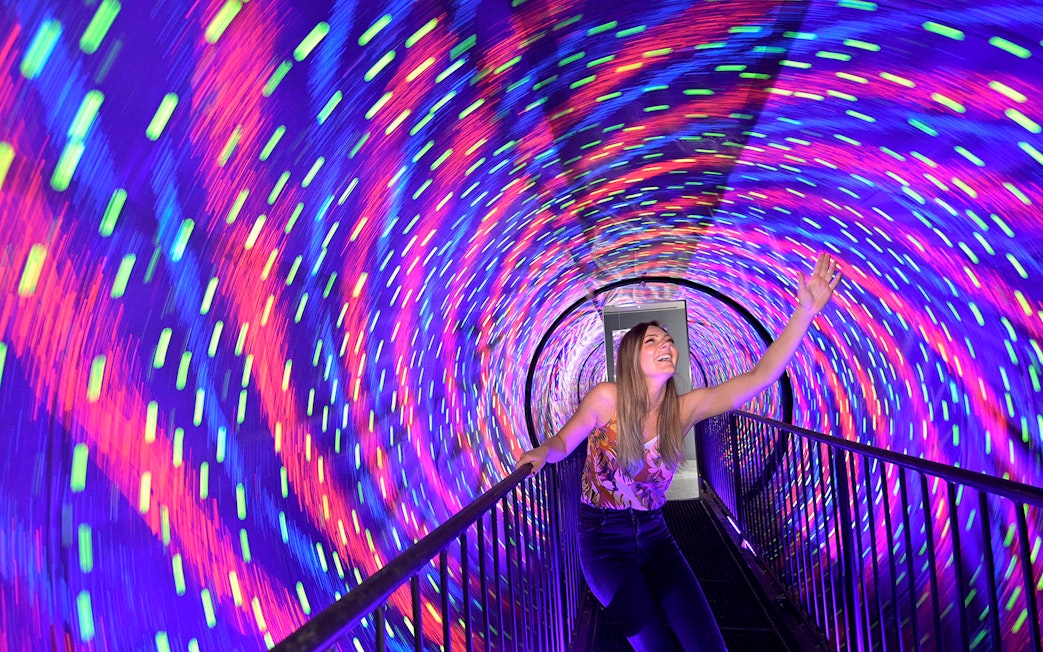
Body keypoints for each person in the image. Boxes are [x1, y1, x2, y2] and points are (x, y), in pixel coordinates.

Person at [516, 253, 841, 651]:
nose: (665, 343)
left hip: (655, 535)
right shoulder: (607, 398)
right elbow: (563, 442)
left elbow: (760, 376)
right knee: (655, 645)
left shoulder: (683, 409)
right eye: (652, 340)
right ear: (631, 358)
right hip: (603, 541)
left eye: (667, 339)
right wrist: (540, 453)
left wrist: (805, 313)